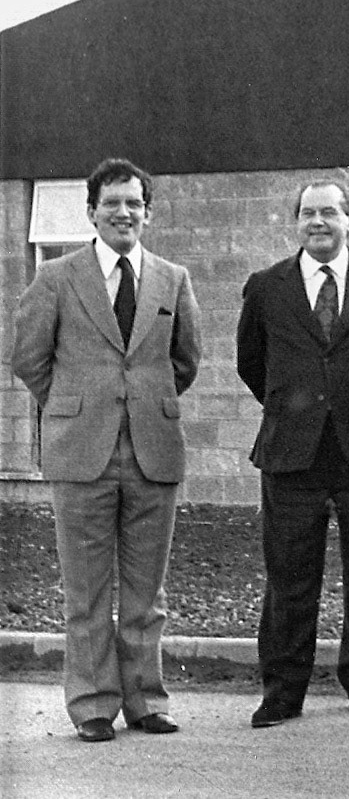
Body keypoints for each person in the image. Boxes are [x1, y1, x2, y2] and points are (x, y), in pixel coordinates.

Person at [10, 158, 201, 743]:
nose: (124, 213)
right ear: (91, 211)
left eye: (134, 203)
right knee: (86, 590)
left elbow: (185, 361)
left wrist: (144, 402)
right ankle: (93, 704)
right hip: (80, 455)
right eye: (112, 203)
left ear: (148, 211)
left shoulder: (172, 279)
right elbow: (28, 359)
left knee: (148, 590)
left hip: (153, 452)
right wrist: (74, 405)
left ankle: (146, 700)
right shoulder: (57, 279)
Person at [236, 178, 349, 727]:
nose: (318, 222)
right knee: (289, 575)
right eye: (308, 213)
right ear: (296, 222)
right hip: (293, 452)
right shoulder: (266, 287)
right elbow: (252, 363)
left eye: (329, 213)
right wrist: (298, 408)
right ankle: (284, 687)